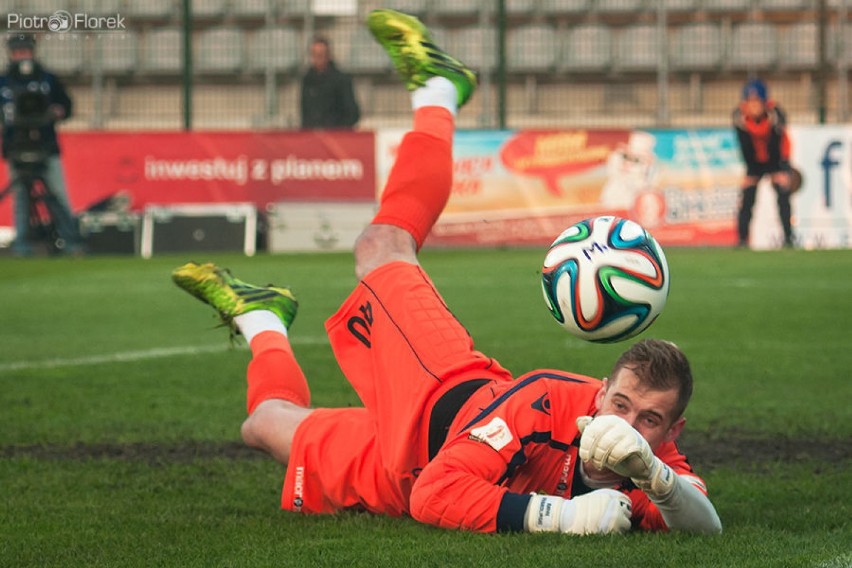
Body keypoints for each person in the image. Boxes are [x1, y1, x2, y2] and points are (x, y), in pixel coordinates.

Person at [173, 10, 722, 536]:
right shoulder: (547, 402)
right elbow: (442, 492)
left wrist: (656, 476)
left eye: (649, 420)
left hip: (407, 469)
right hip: (437, 387)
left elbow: (704, 524)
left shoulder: (655, 463)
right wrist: (563, 516)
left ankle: (262, 316)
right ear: (599, 395)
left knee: (264, 426)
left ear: (672, 432)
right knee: (381, 243)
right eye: (621, 405)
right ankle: (438, 90)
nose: (627, 426)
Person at [0, 34, 82, 256]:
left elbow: (66, 104)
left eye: (25, 51)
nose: (22, 56)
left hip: (46, 146)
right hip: (16, 146)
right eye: (17, 52)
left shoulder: (47, 79)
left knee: (57, 193)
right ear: (11, 53)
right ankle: (22, 245)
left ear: (33, 52)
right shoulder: (4, 82)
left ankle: (72, 242)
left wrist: (58, 111)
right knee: (21, 197)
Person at [732, 78, 794, 249]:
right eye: (750, 102)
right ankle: (742, 239)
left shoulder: (776, 116)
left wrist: (779, 170)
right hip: (754, 161)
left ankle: (788, 238)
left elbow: (777, 144)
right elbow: (745, 147)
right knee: (747, 196)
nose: (754, 106)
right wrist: (751, 172)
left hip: (777, 158)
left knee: (783, 193)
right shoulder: (739, 118)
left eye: (757, 102)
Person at [299, 35, 360, 129]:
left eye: (321, 55)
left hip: (335, 134)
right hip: (312, 135)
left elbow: (352, 113)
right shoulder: (307, 80)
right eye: (314, 55)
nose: (317, 58)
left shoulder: (341, 80)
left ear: (328, 55)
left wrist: (337, 130)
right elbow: (304, 111)